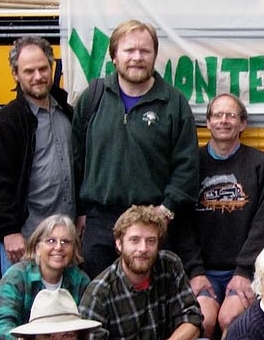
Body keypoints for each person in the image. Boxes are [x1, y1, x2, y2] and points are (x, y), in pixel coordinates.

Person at [71, 20, 198, 277]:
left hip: (152, 222)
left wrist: (166, 209)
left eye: (145, 51)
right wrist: (81, 211)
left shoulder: (173, 103)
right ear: (114, 56)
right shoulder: (92, 98)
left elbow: (187, 164)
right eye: (129, 51)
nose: (137, 58)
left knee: (151, 305)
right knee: (99, 303)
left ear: (154, 56)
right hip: (100, 224)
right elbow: (76, 160)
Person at [77, 205, 217, 340]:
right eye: (134, 240)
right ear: (118, 243)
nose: (143, 248)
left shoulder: (169, 265)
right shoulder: (99, 292)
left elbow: (193, 320)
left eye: (150, 241)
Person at [173, 93, 264, 337]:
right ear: (207, 122)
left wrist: (243, 272)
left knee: (230, 318)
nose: (224, 120)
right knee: (204, 320)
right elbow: (181, 223)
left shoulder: (260, 163)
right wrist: (195, 272)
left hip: (243, 270)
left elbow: (263, 223)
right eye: (217, 115)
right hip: (202, 270)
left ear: (242, 124)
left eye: (231, 115)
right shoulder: (190, 164)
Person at [0, 36, 74, 276]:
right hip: (25, 239)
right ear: (15, 74)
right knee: (19, 309)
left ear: (52, 67)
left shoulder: (68, 114)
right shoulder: (5, 123)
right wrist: (9, 231)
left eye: (43, 68)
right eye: (28, 71)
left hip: (65, 239)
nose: (38, 76)